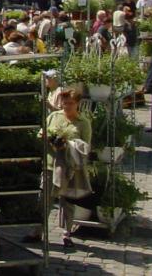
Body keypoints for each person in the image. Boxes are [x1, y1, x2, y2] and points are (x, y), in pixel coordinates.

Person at [28, 90, 92, 248]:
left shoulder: (83, 122)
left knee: (67, 203)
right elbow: (41, 134)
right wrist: (48, 138)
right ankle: (37, 231)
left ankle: (66, 234)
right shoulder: (54, 117)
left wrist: (68, 145)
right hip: (51, 165)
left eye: (71, 103)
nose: (67, 106)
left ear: (78, 103)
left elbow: (86, 147)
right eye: (65, 103)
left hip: (70, 168)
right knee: (44, 200)